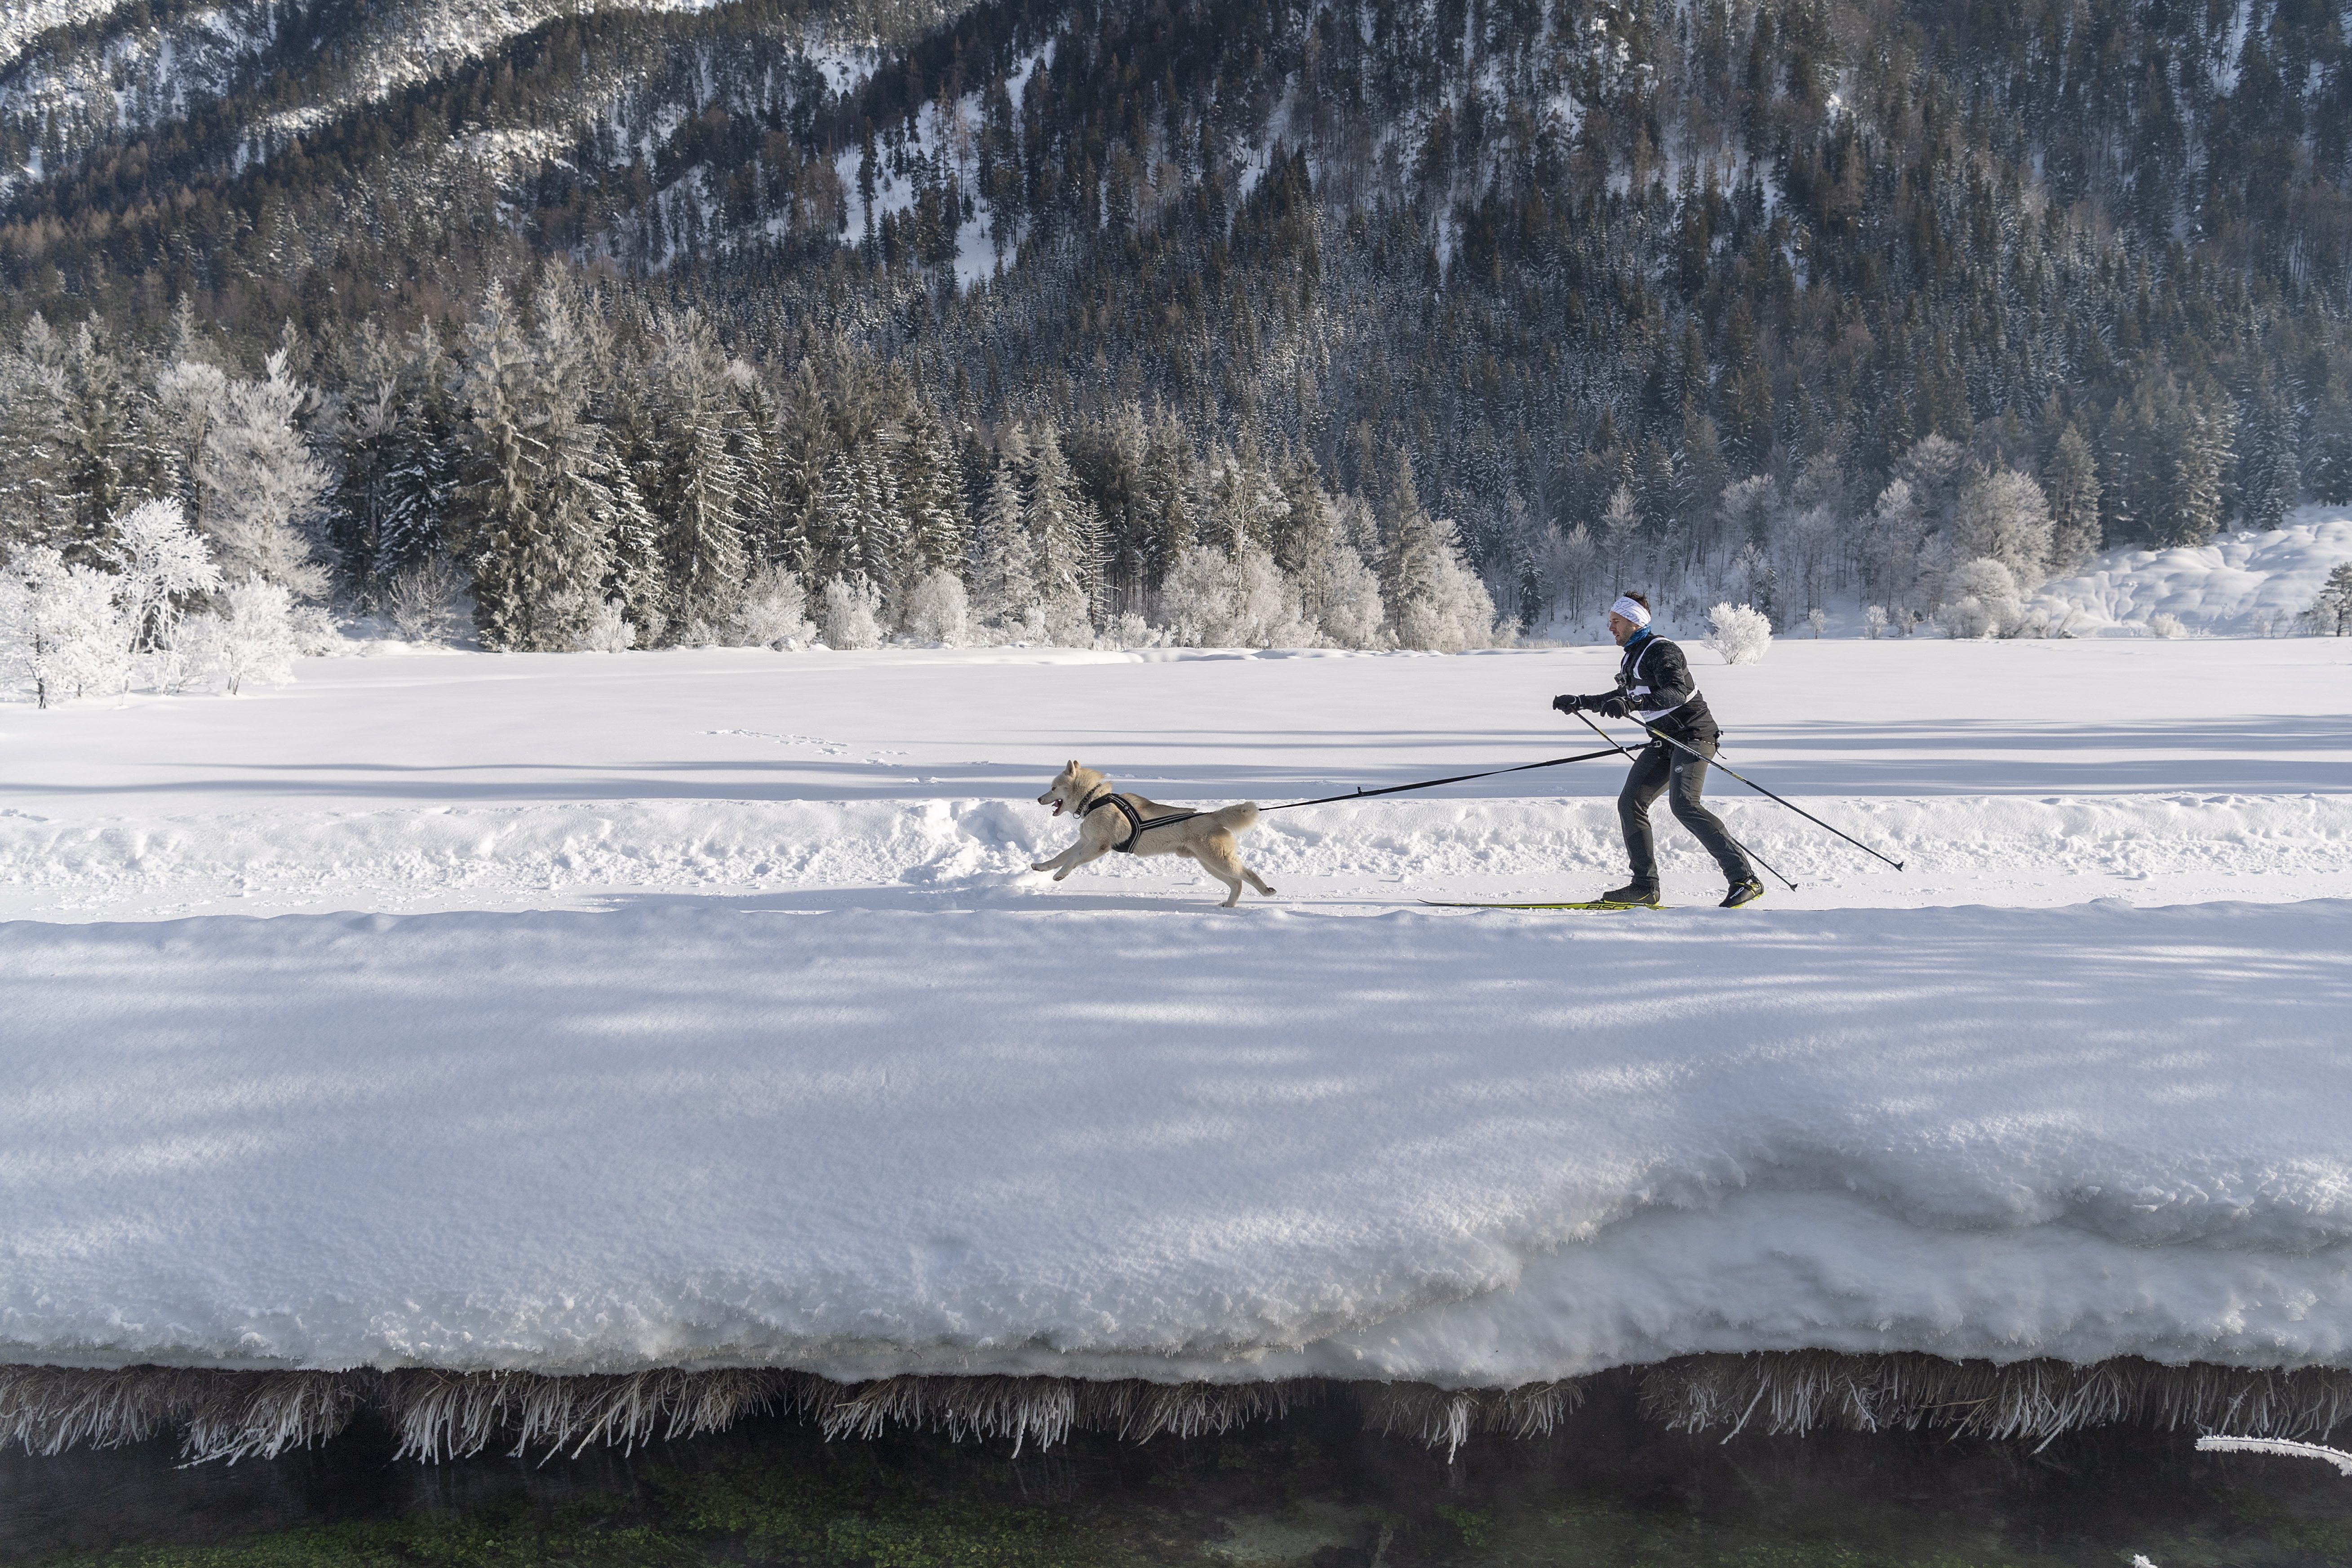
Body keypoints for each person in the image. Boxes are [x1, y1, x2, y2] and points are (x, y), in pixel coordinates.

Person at [1552, 592, 1764, 909]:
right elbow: (1624, 693)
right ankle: (1645, 887)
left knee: (1684, 804)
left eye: (1616, 622)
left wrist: (1633, 703)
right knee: (1631, 802)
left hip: (1693, 735)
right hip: (1664, 740)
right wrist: (1581, 702)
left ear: (1635, 621)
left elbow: (1675, 691)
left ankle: (1744, 878)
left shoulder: (1662, 650)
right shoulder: (1632, 656)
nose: (1611, 628)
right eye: (1610, 621)